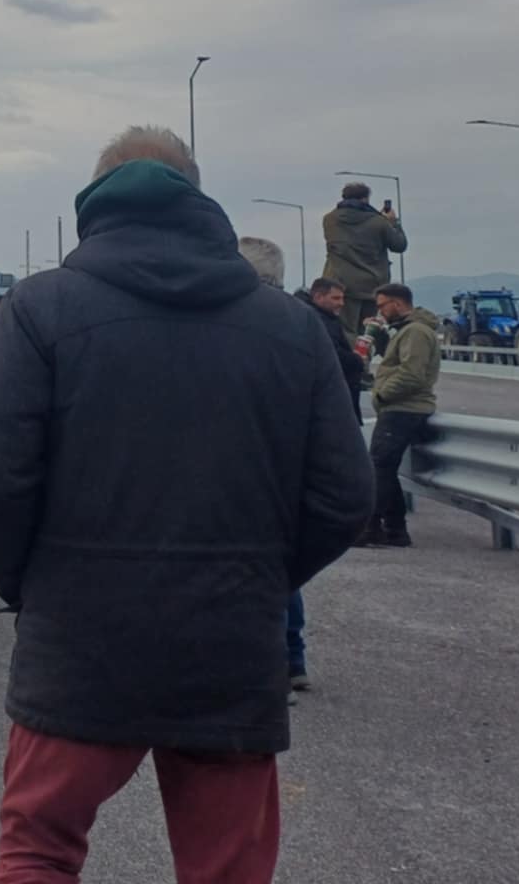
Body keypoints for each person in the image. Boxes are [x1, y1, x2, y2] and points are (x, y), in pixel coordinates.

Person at [0, 127, 373, 884]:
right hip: (230, 645)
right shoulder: (290, 326)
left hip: (78, 645)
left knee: (38, 854)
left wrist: (30, 586)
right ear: (196, 195)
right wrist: (263, 575)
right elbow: (346, 495)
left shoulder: (38, 309)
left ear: (94, 201)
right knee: (228, 870)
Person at [236, 238, 311, 700]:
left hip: (245, 475)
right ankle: (291, 661)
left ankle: (273, 668)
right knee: (283, 574)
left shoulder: (230, 325)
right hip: (287, 475)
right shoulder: (300, 328)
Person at [360, 282, 440, 548]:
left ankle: (370, 528)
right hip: (402, 407)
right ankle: (395, 530)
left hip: (403, 408)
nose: (380, 311)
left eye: (383, 305)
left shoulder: (415, 332)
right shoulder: (407, 331)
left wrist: (383, 394)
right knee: (385, 468)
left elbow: (411, 373)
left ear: (397, 303)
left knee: (379, 467)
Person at [321, 182, 408, 339]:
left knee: (345, 331)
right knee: (367, 332)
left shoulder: (329, 220)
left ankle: (346, 362)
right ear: (365, 199)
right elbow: (399, 245)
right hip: (372, 286)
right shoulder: (379, 222)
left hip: (340, 285)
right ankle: (362, 362)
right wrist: (393, 222)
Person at [295, 277, 368, 424]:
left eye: (342, 298)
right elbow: (331, 354)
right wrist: (357, 361)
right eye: (335, 298)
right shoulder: (318, 321)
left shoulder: (322, 318)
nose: (341, 303)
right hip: (332, 398)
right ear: (318, 297)